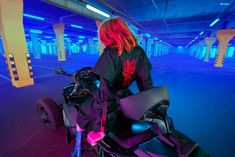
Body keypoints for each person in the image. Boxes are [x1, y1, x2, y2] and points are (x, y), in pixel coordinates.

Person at [72, 17, 153, 157]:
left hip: (109, 102)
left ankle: (77, 149)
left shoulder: (110, 53)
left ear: (109, 35)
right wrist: (152, 109)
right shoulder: (139, 52)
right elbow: (146, 83)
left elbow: (105, 93)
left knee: (82, 112)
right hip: (127, 99)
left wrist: (100, 128)